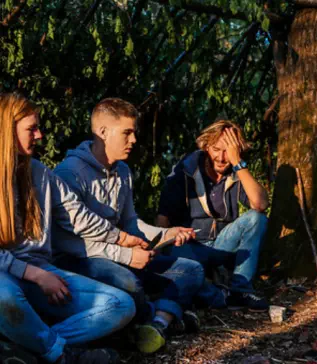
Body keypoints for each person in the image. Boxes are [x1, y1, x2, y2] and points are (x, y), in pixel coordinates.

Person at [52, 98, 205, 354]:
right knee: (128, 282)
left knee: (191, 271)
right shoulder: (69, 173)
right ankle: (165, 316)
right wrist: (127, 254)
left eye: (134, 132)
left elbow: (130, 223)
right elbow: (71, 240)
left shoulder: (123, 171)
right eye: (127, 132)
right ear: (102, 132)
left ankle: (155, 324)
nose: (133, 140)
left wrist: (164, 234)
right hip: (80, 259)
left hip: (120, 256)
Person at [0, 92, 136, 364]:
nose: (39, 135)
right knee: (4, 295)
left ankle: (29, 349)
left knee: (121, 305)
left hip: (44, 276)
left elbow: (78, 215)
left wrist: (121, 237)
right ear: (7, 131)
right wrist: (35, 274)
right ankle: (61, 354)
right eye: (31, 129)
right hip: (8, 275)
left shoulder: (40, 174)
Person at [156, 118, 270, 312]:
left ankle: (239, 289)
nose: (221, 157)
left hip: (222, 244)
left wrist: (238, 163)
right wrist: (159, 250)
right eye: (216, 149)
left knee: (256, 219)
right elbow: (163, 216)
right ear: (206, 146)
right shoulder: (185, 170)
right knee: (183, 263)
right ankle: (214, 294)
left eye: (228, 152)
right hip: (191, 244)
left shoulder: (236, 170)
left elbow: (260, 204)